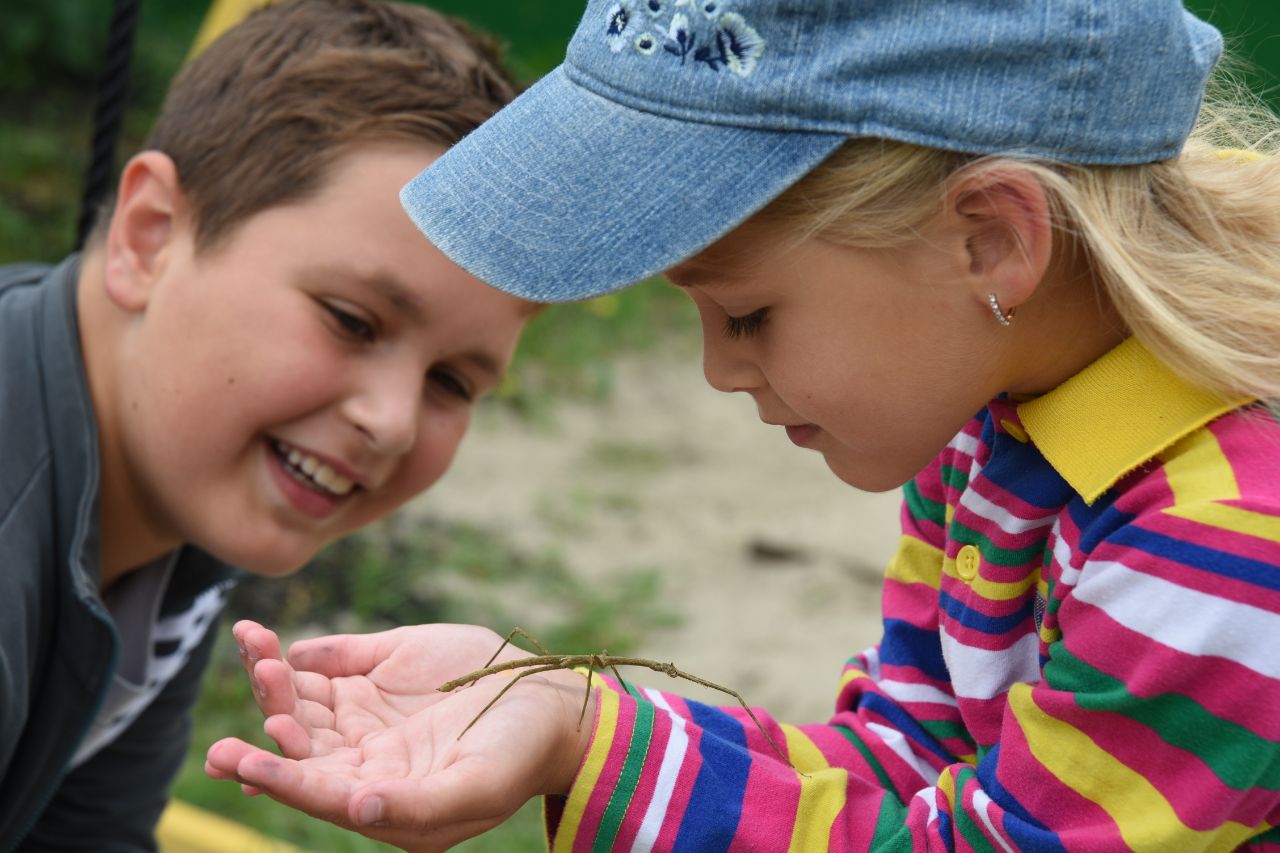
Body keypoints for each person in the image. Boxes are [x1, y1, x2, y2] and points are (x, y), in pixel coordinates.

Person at [205, 0, 1280, 850]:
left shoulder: (1217, 549)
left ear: (992, 241)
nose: (720, 370)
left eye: (748, 314)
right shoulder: (995, 413)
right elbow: (918, 763)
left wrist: (592, 749)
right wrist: (568, 719)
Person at [0, 0, 535, 848]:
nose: (391, 421)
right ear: (149, 237)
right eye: (351, 320)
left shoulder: (175, 498)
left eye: (451, 381)